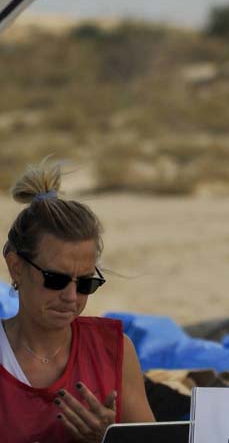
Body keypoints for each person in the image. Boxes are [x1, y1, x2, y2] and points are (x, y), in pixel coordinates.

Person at [1, 159, 155, 442]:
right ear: (16, 267)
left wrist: (111, 439)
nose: (71, 297)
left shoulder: (116, 351)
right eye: (55, 279)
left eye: (86, 283)